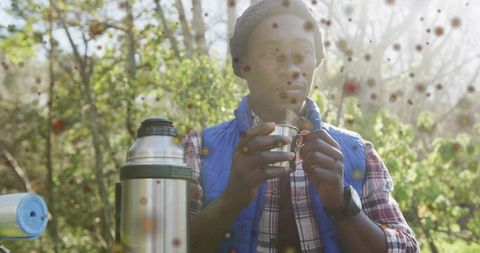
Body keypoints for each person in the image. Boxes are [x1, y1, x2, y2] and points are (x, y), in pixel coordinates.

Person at [182, 0, 419, 252]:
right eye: (271, 53)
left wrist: (341, 204)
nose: (292, 70)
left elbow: (406, 248)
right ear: (242, 65)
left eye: (302, 52)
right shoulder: (197, 150)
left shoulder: (358, 152)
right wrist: (231, 200)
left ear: (316, 61)